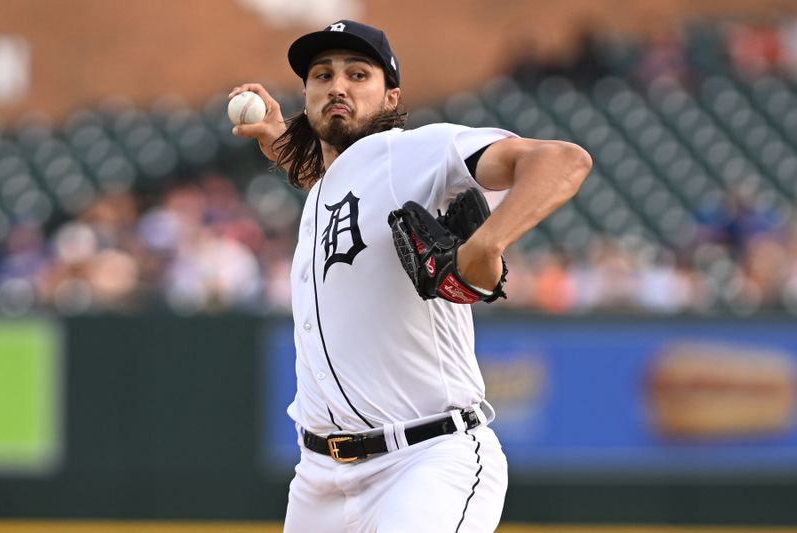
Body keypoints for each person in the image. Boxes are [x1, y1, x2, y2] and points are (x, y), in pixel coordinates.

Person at [230, 19, 591, 532]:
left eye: (359, 75)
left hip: (423, 463)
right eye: (322, 75)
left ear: (390, 95)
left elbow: (562, 160)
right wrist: (282, 142)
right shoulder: (327, 188)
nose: (337, 85)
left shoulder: (413, 152)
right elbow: (340, 188)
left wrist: (486, 243)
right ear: (306, 95)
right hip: (319, 481)